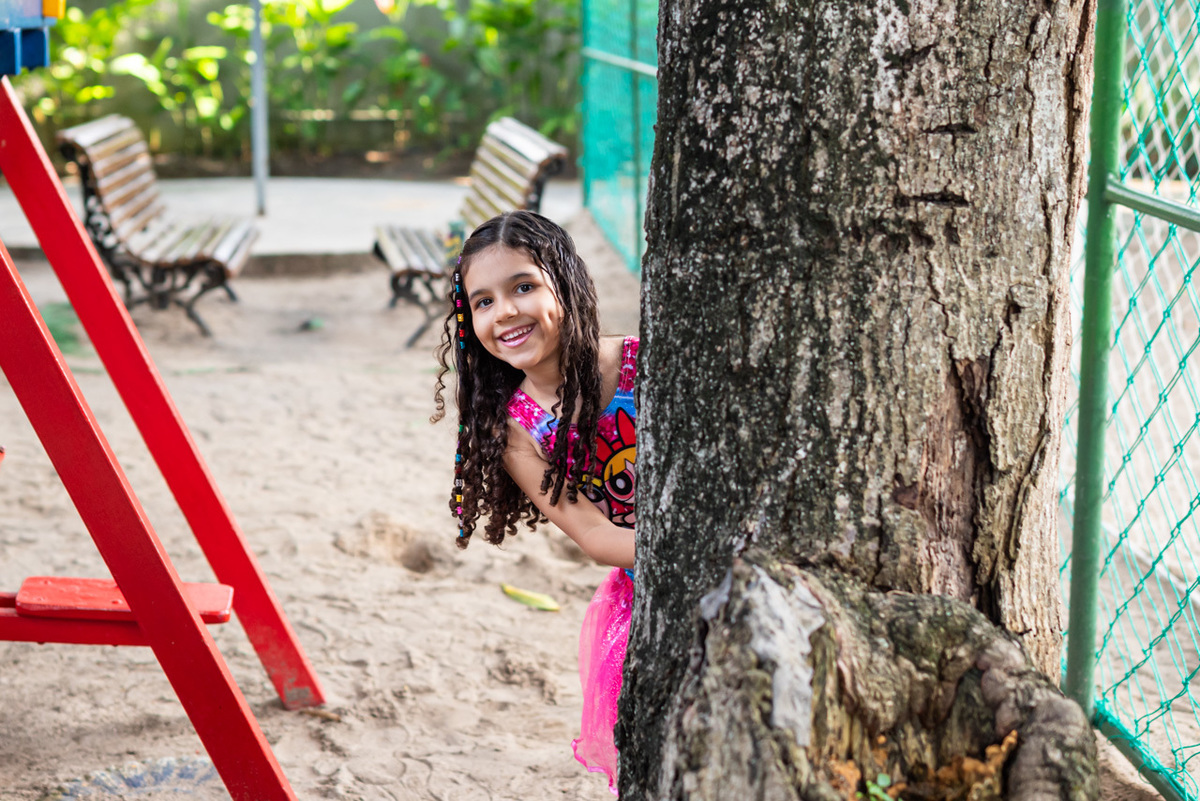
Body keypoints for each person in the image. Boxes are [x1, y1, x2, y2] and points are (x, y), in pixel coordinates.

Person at [432, 210, 636, 793]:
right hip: (644, 584)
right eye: (484, 301)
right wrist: (688, 551)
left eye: (523, 286)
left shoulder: (643, 361)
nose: (505, 312)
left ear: (566, 286)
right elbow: (594, 535)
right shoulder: (516, 429)